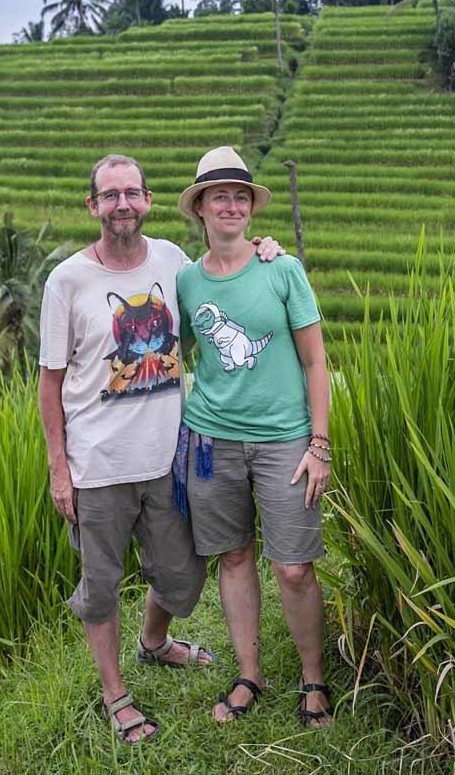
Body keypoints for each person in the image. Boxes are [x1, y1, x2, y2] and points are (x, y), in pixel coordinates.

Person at [38, 153, 283, 744]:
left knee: (181, 575)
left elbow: (224, 272)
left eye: (132, 192)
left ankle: (154, 642)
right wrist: (59, 469)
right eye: (110, 194)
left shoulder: (174, 261)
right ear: (93, 205)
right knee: (100, 583)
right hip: (96, 466)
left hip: (169, 459)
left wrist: (264, 251)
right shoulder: (68, 280)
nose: (123, 203)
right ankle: (115, 694)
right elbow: (49, 380)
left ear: (148, 200)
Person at [173, 146, 334, 729]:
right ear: (201, 209)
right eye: (220, 196)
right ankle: (250, 673)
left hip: (285, 441)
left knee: (293, 566)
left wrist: (320, 444)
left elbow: (316, 362)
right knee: (235, 555)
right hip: (212, 439)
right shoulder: (186, 281)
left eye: (240, 196)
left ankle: (313, 679)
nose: (232, 205)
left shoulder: (281, 268)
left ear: (251, 208)